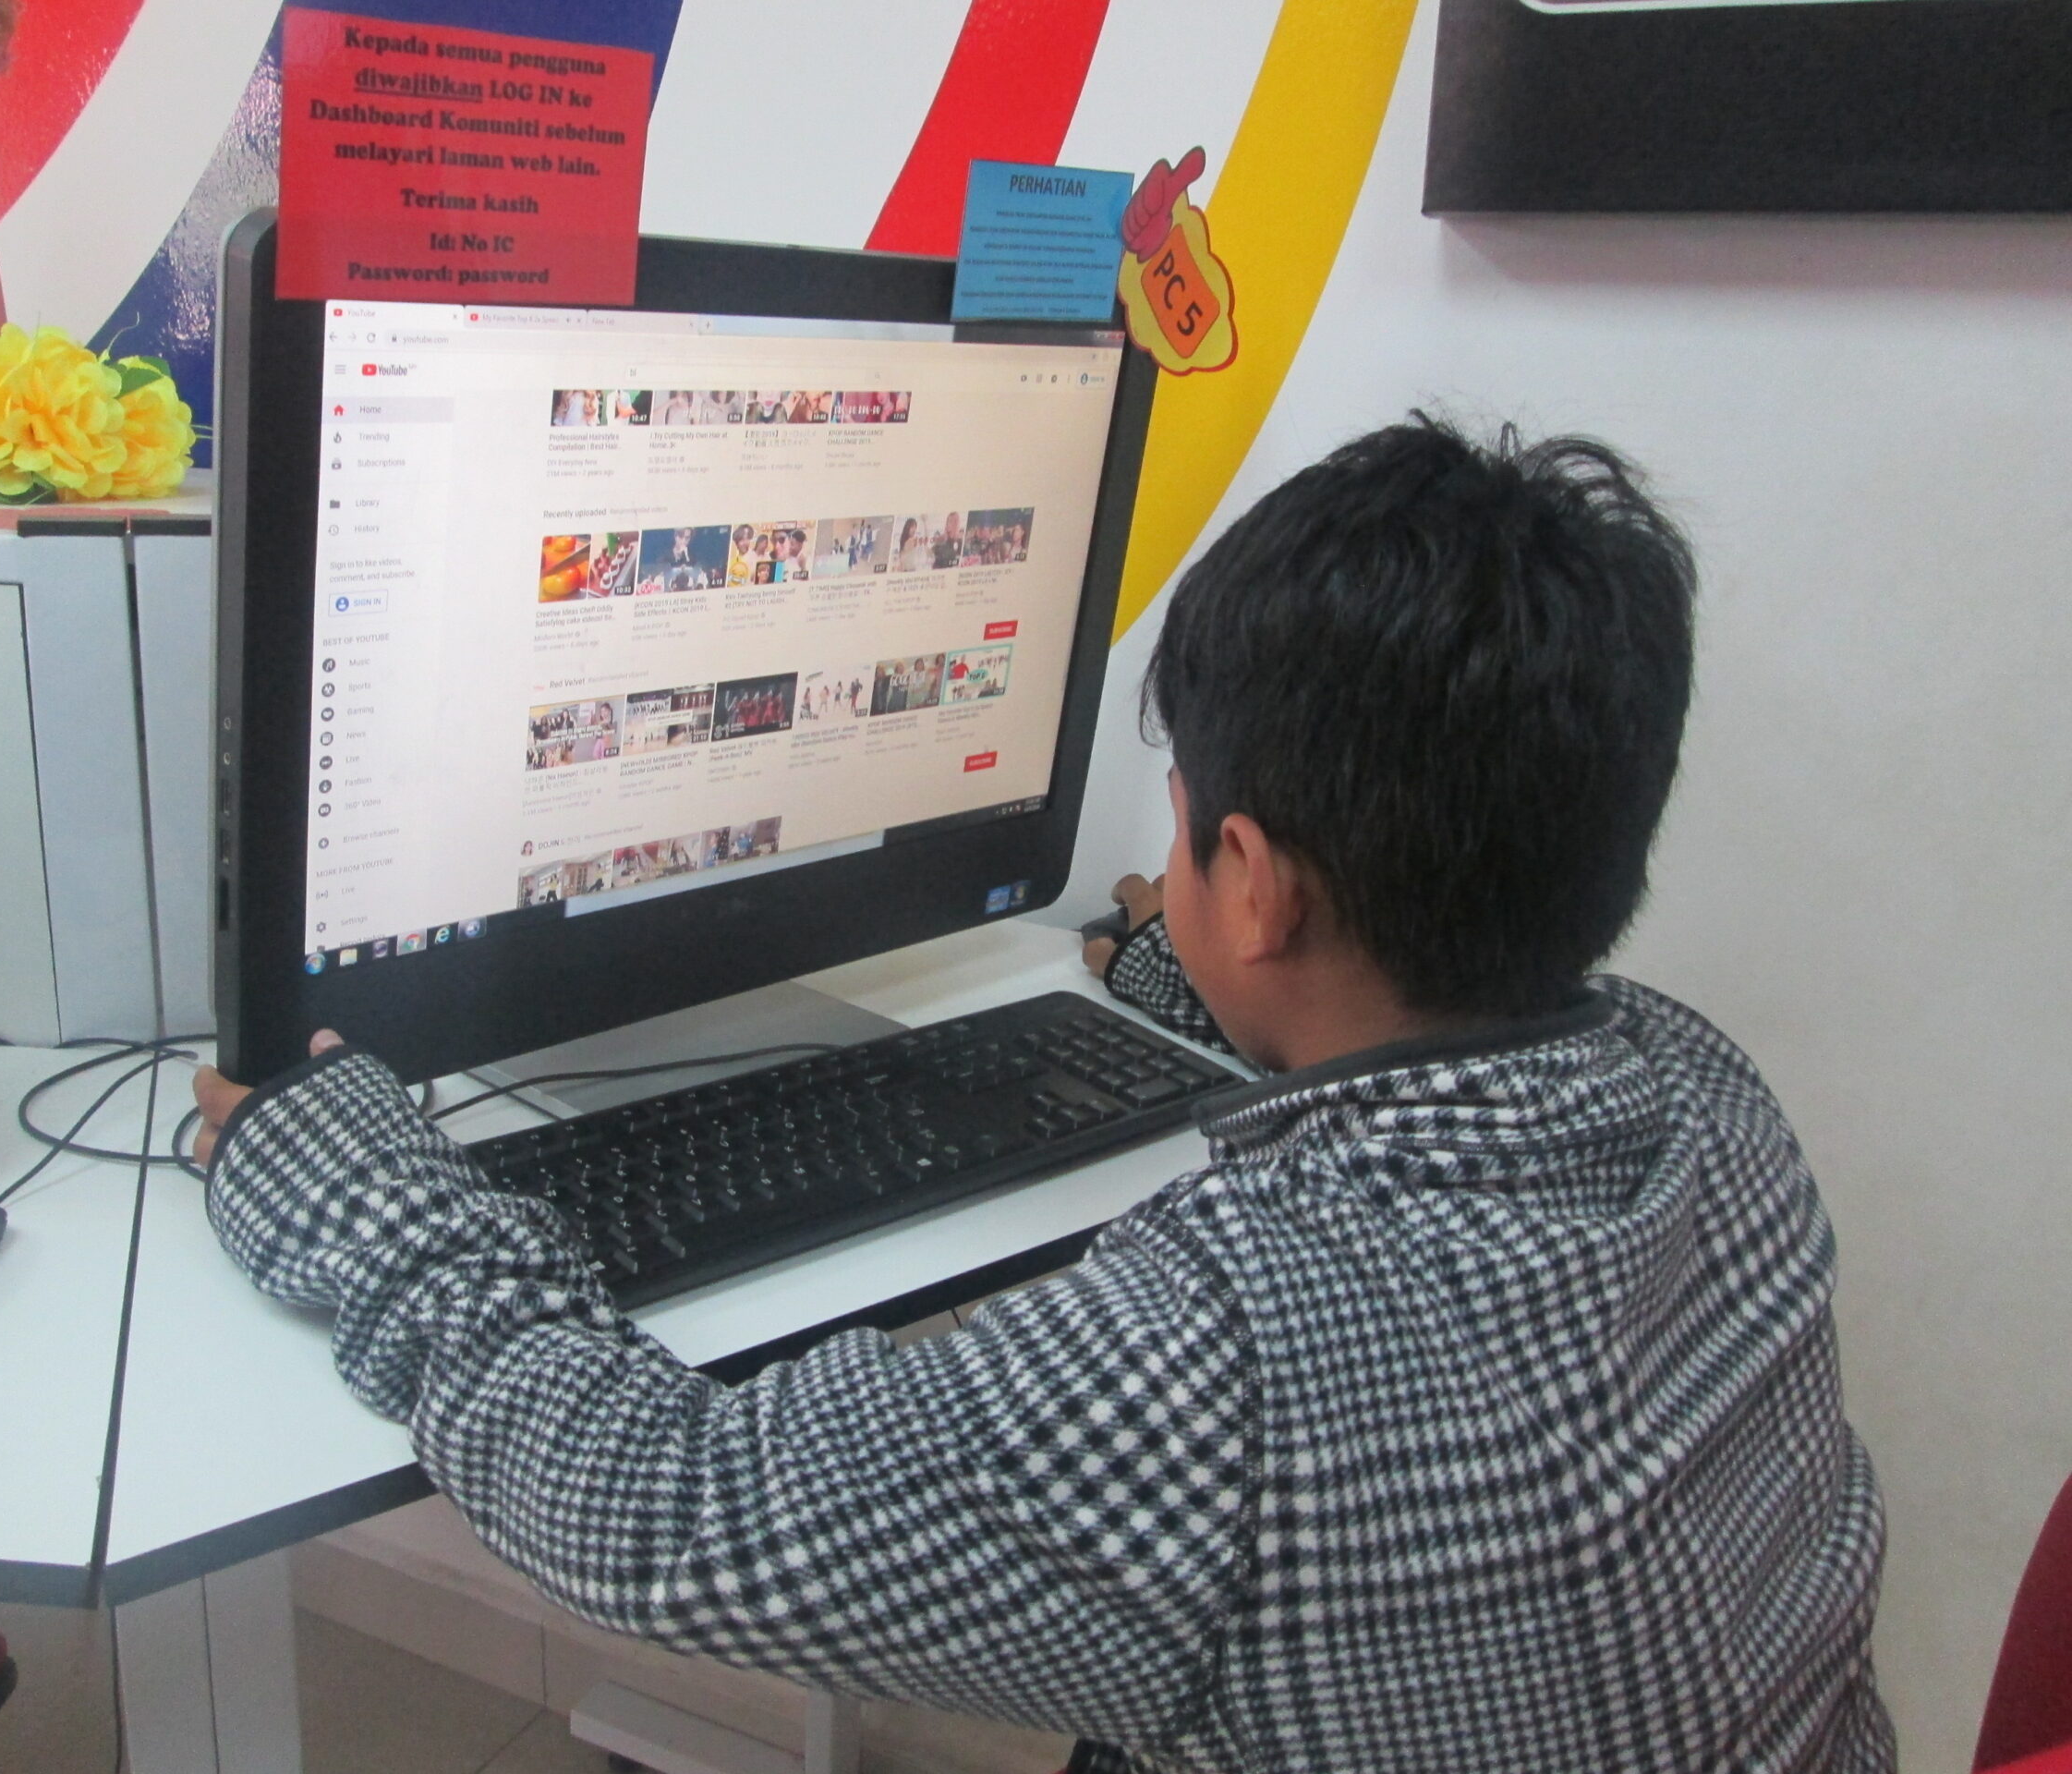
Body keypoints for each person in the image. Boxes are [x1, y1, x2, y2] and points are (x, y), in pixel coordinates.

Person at [193, 416, 1890, 1774]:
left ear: (1254, 885)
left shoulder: (1224, 1367)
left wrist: (341, 1170)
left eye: (1187, 828)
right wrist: (1177, 981)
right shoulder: (1702, 1090)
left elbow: (660, 1509)